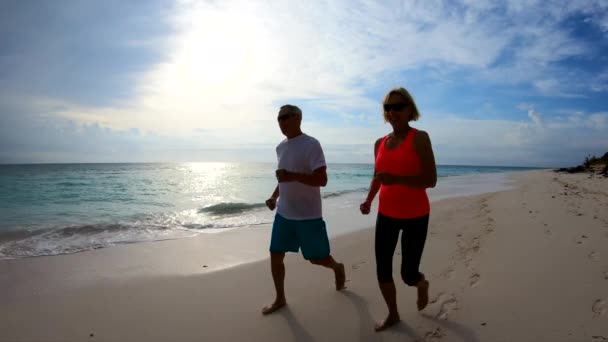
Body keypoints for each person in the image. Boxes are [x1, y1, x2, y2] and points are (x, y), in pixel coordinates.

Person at [359, 87, 437, 331]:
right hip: (386, 215)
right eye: (387, 107)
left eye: (398, 106)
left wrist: (398, 179)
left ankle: (421, 284)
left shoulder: (420, 138)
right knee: (382, 269)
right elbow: (378, 176)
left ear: (410, 110)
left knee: (408, 275)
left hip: (416, 215)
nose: (392, 111)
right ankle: (393, 314)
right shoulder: (379, 143)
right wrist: (369, 199)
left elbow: (430, 180)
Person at [262, 104, 346, 315]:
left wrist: (291, 176)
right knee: (275, 255)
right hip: (284, 213)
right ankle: (280, 298)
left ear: (298, 118)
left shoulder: (311, 144)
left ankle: (337, 267)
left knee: (317, 258)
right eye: (279, 118)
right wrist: (274, 196)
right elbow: (283, 178)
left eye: (286, 117)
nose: (282, 122)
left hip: (308, 215)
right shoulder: (280, 147)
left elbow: (322, 179)